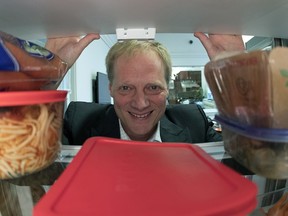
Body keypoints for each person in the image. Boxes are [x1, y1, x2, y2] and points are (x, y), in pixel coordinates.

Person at [46, 32, 245, 145]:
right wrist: (47, 76)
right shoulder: (79, 121)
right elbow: (28, 174)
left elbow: (246, 164)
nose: (140, 103)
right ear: (111, 89)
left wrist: (238, 78)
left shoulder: (193, 123)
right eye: (126, 87)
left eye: (152, 87)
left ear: (167, 89)